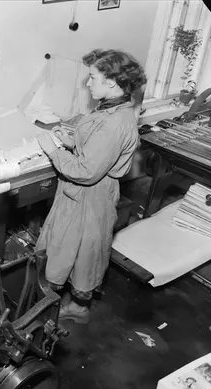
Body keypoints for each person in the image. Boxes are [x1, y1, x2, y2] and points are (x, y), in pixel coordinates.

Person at [35, 49, 147, 324]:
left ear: (112, 82)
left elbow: (86, 172)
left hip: (90, 196)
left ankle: (77, 307)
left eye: (93, 77)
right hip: (84, 194)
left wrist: (53, 151)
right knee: (72, 247)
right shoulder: (112, 107)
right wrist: (72, 141)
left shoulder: (114, 123)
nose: (88, 83)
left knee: (81, 251)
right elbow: (98, 149)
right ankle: (64, 301)